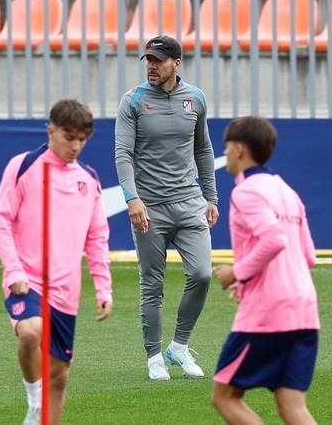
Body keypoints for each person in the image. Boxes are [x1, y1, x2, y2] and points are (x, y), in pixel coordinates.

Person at [0, 99, 114, 425]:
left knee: (58, 377)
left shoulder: (88, 179)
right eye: (68, 137)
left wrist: (104, 287)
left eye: (82, 139)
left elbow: (97, 237)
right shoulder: (23, 166)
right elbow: (1, 222)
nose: (75, 146)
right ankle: (34, 401)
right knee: (31, 332)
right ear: (51, 131)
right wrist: (14, 269)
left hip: (66, 290)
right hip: (25, 279)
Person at [115, 35, 219, 380]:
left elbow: (203, 150)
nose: (151, 66)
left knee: (203, 275)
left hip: (190, 203)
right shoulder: (133, 101)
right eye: (148, 60)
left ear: (177, 63)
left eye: (159, 60)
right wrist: (132, 198)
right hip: (149, 209)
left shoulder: (196, 98)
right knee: (152, 285)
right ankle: (154, 356)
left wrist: (212, 197)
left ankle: (179, 346)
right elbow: (123, 154)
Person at [212, 116, 320, 425]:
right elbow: (308, 256)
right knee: (291, 404)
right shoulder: (288, 191)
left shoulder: (246, 192)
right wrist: (251, 276)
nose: (226, 153)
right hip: (304, 311)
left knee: (225, 397)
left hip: (268, 313)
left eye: (228, 146)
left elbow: (274, 239)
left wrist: (238, 272)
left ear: (240, 149)